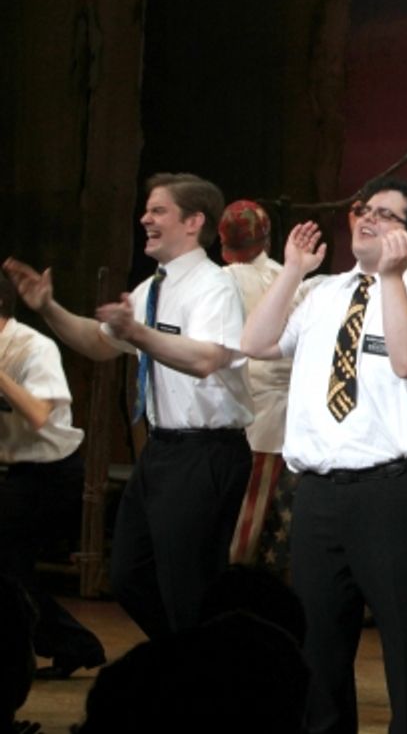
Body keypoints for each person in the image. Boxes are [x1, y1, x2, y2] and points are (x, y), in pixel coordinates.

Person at [241, 176, 407, 734]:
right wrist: (292, 270)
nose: (367, 218)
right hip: (318, 492)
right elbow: (256, 343)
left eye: (386, 215)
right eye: (365, 209)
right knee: (318, 646)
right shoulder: (323, 293)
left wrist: (390, 279)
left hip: (396, 490)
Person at [5, 173, 254, 639]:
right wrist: (48, 307)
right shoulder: (151, 290)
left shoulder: (212, 286)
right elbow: (99, 344)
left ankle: (206, 681)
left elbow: (207, 359)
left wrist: (137, 333)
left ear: (193, 221)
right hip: (162, 451)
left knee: (189, 583)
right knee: (129, 575)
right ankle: (189, 660)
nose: (145, 218)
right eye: (147, 209)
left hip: (206, 450)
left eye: (158, 210)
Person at [0, 274, 106, 678]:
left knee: (10, 567)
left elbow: (39, 415)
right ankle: (69, 645)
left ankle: (70, 643)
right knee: (11, 569)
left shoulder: (33, 347)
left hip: (54, 471)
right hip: (21, 469)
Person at [218, 199, 301, 574]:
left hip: (249, 421)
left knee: (244, 527)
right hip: (285, 425)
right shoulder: (290, 279)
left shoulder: (219, 282)